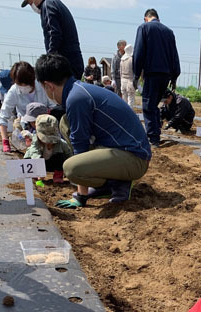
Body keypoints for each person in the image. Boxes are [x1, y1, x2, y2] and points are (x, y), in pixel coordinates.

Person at [35, 53, 151, 208]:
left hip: (134, 159)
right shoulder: (78, 90)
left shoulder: (76, 98)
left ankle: (117, 183)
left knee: (71, 168)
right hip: (121, 151)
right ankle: (107, 184)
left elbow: (80, 144)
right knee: (65, 123)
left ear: (49, 86)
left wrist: (80, 196)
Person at [133, 8, 181, 147]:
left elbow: (139, 52)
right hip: (165, 74)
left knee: (148, 105)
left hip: (152, 73)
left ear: (145, 18)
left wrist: (136, 74)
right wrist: (174, 77)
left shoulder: (144, 28)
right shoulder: (169, 32)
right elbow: (174, 56)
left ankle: (153, 138)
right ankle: (155, 133)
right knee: (154, 105)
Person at [0, 61, 53, 153]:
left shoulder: (42, 86)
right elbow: (3, 116)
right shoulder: (14, 91)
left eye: (27, 84)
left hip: (46, 123)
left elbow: (54, 106)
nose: (24, 87)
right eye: (20, 85)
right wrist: (5, 142)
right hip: (26, 124)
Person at [21, 0, 84, 80]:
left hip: (64, 64)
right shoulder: (54, 3)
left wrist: (48, 61)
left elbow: (54, 34)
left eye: (30, 2)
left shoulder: (47, 5)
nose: (32, 6)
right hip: (72, 61)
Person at [24, 113, 71, 183]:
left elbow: (69, 154)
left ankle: (58, 176)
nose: (49, 142)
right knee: (28, 159)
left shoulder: (61, 143)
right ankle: (33, 175)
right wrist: (40, 170)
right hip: (38, 161)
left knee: (60, 157)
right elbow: (34, 152)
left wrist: (69, 171)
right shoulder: (35, 140)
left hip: (51, 164)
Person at [120, 44, 136, 108]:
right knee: (131, 99)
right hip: (130, 80)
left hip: (123, 81)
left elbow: (120, 72)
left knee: (124, 100)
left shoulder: (122, 60)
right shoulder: (131, 59)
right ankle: (129, 115)